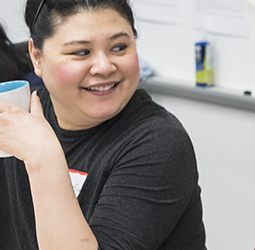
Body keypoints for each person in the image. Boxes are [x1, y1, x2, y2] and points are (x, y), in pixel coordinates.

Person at [0, 0, 207, 249]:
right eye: (81, 52)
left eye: (119, 47)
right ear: (37, 57)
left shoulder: (160, 142)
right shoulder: (18, 116)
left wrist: (43, 156)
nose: (104, 67)